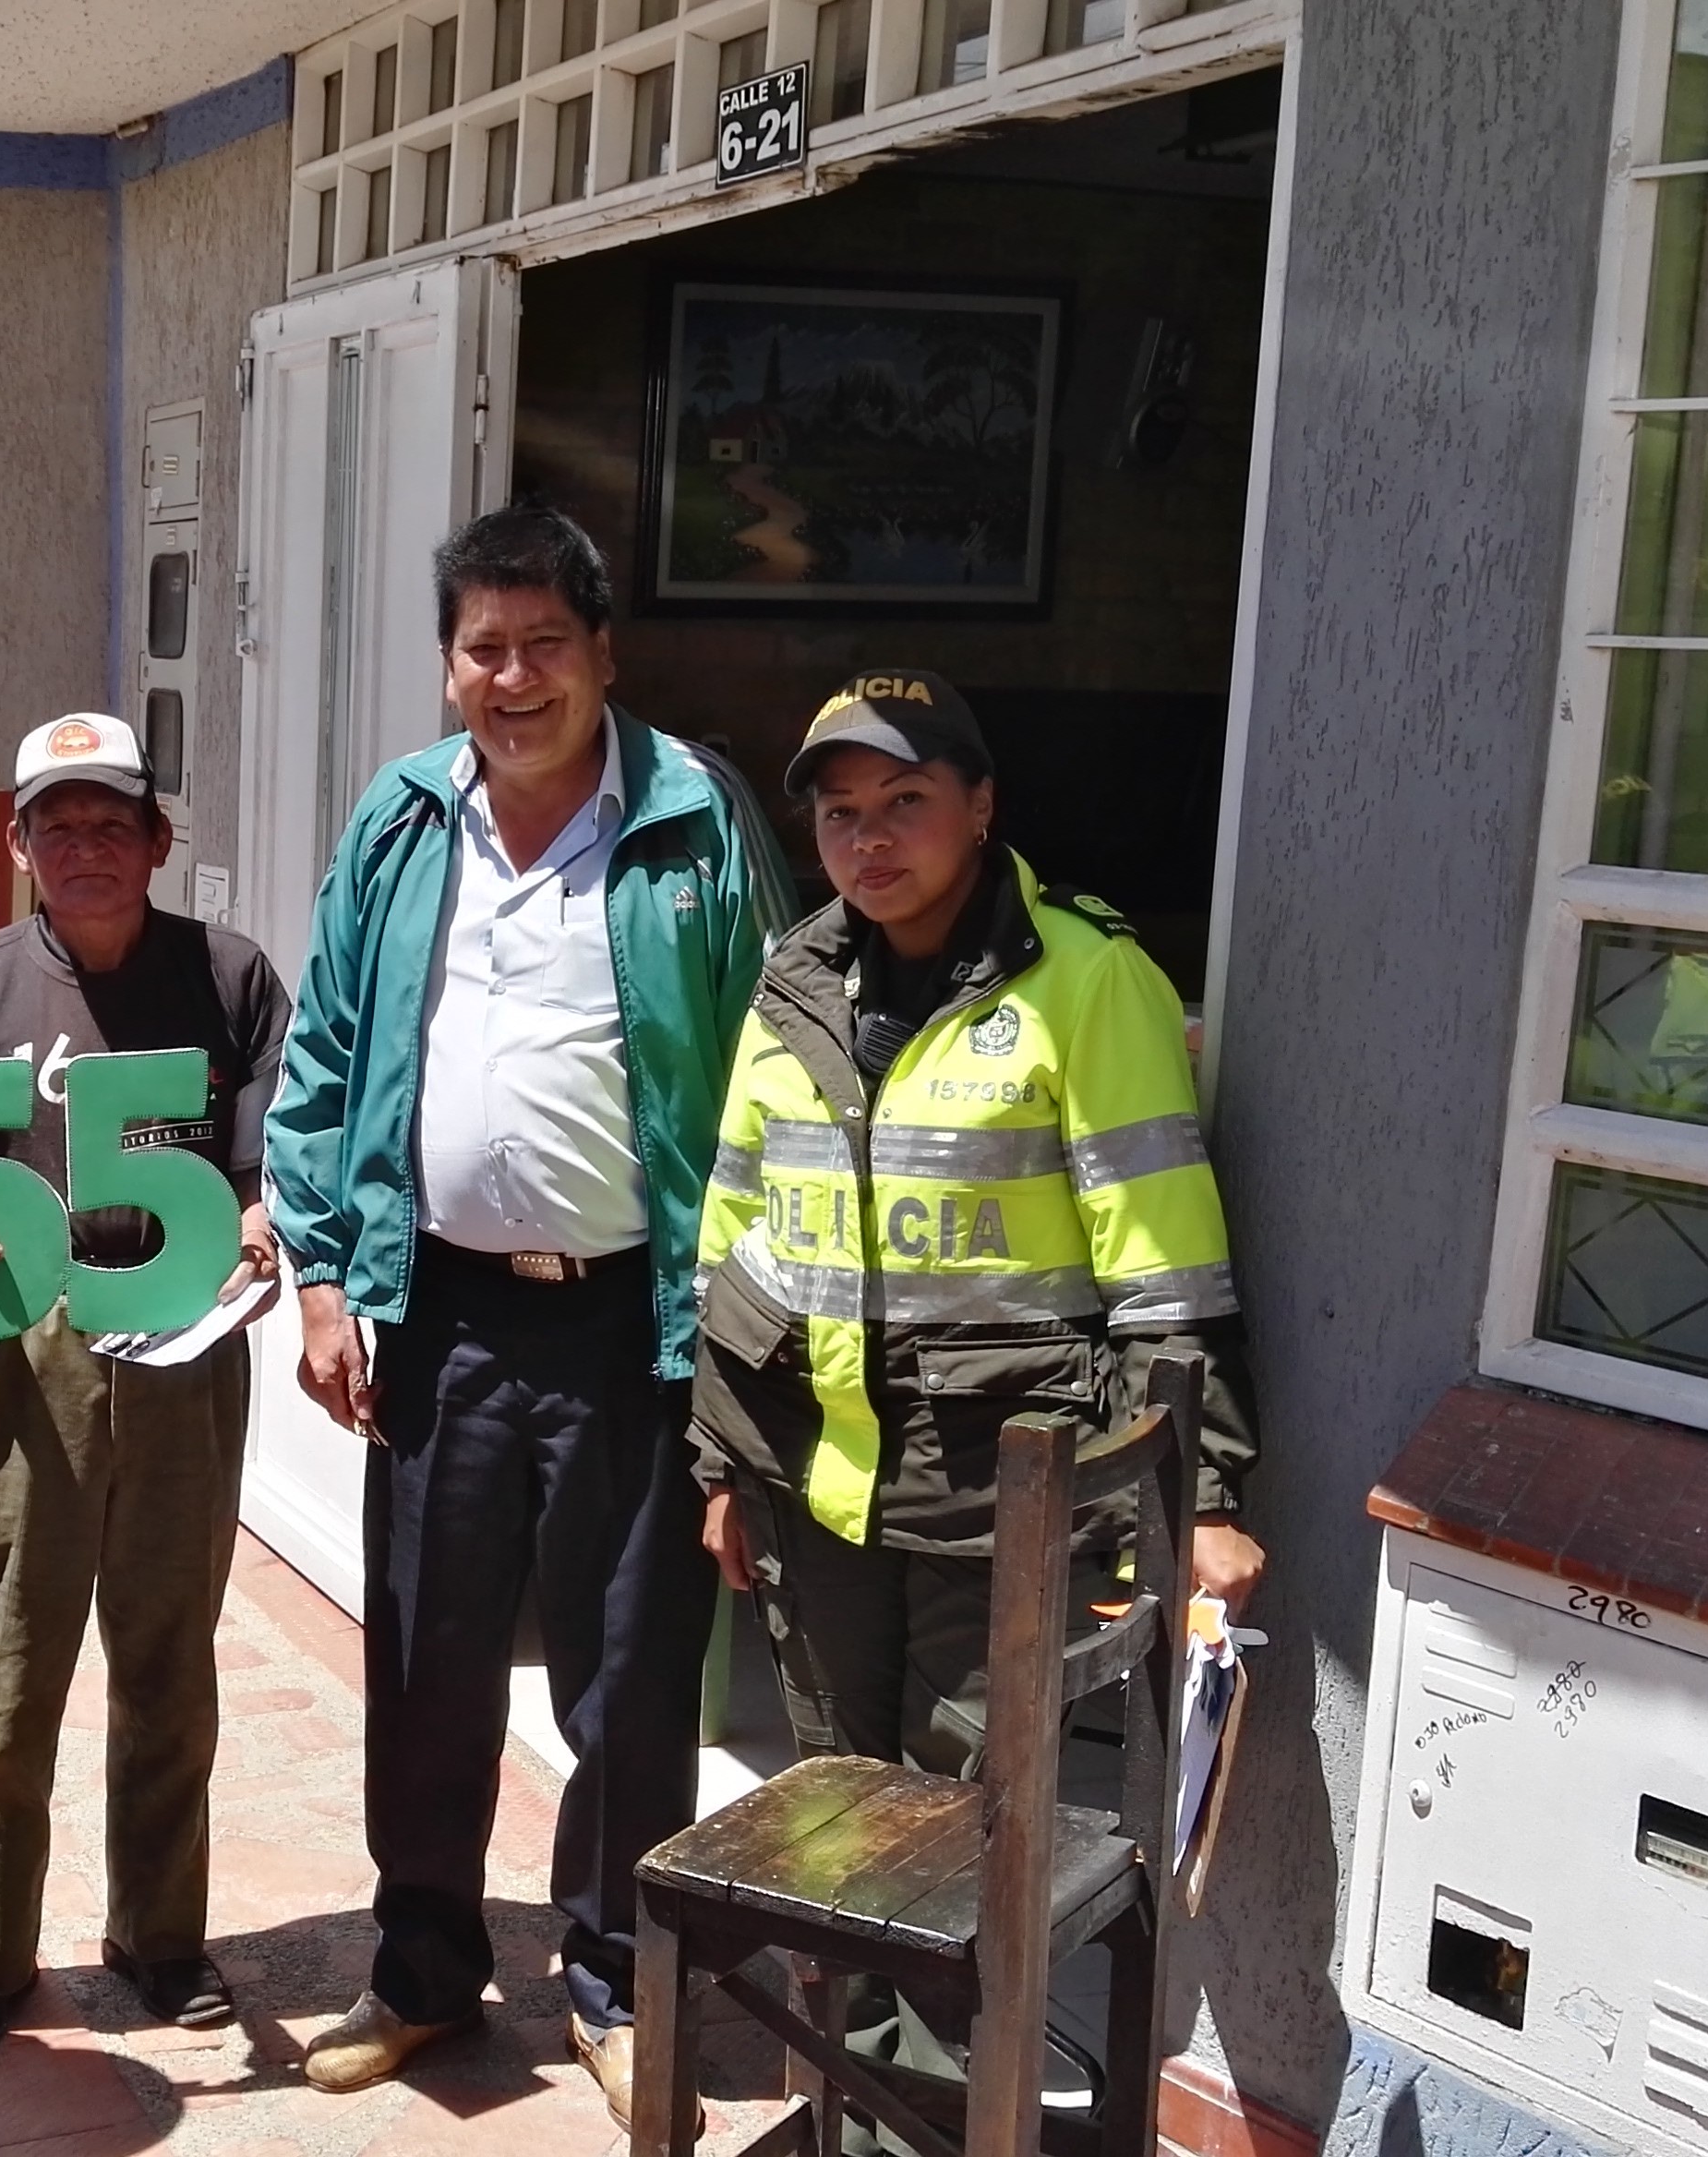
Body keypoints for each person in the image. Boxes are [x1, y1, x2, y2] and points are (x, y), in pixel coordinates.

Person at [263, 500, 789, 2130]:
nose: (512, 676)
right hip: (440, 1312)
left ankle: (616, 1978)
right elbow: (330, 1051)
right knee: (422, 1648)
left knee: (634, 1671)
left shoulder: (697, 822)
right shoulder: (404, 823)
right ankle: (422, 1967)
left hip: (630, 1318)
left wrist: (746, 1336)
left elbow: (768, 1076)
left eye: (544, 643)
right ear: (449, 665)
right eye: (482, 647)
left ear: (603, 651)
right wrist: (329, 1270)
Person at [684, 669, 1264, 2122]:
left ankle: (926, 2131)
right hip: (821, 1497)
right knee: (835, 1843)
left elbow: (1166, 1264)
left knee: (961, 1861)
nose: (869, 840)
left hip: (999, 1510)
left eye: (905, 804)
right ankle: (850, 2111)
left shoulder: (1086, 981)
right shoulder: (793, 981)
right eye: (839, 814)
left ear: (981, 806)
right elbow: (740, 1232)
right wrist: (718, 1463)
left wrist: (1204, 1494)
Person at [0, 711, 293, 2066]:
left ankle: (159, 1937)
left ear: (156, 842)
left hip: (182, 1349)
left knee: (170, 1662)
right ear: (18, 847)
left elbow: (269, 1161)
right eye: (55, 826)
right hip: (25, 1354)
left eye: (110, 824)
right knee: (2, 1672)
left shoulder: (229, 977)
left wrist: (259, 1223)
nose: (85, 848)